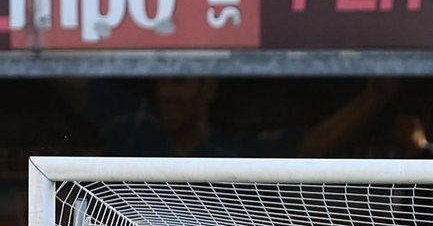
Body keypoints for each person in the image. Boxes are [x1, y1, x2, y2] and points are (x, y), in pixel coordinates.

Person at [55, 77, 398, 158]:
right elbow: (65, 78)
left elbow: (312, 145)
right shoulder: (131, 123)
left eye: (178, 82)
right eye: (160, 81)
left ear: (209, 88)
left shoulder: (231, 153)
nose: (166, 93)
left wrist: (375, 97)